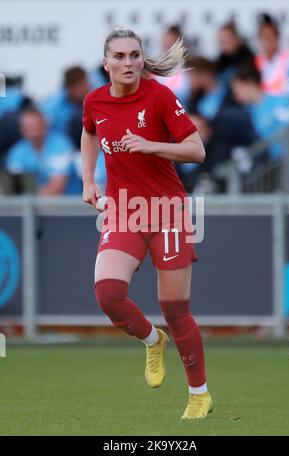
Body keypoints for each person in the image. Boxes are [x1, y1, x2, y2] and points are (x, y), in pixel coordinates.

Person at [81, 28, 213, 419]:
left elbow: (197, 150)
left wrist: (151, 144)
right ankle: (153, 340)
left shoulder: (158, 96)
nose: (128, 63)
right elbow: (89, 132)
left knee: (175, 308)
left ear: (142, 59)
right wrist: (90, 180)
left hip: (167, 210)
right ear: (105, 62)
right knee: (108, 294)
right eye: (119, 57)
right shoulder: (95, 100)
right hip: (124, 209)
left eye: (134, 56)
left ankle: (199, 394)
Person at [6, 106, 80, 195]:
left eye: (35, 125)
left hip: (69, 205)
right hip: (30, 205)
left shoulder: (62, 145)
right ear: (22, 129)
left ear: (45, 125)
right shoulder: (17, 152)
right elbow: (15, 188)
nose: (32, 129)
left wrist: (32, 195)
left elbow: (56, 189)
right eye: (28, 126)